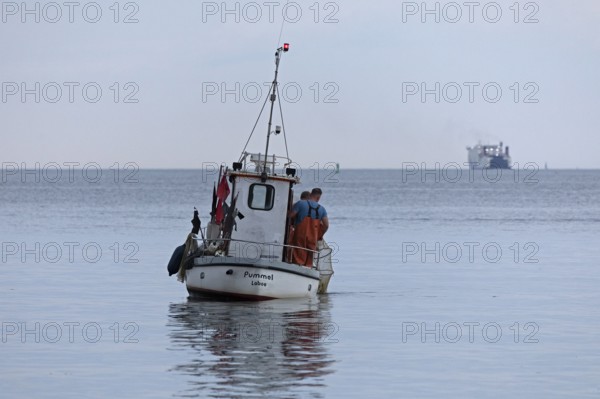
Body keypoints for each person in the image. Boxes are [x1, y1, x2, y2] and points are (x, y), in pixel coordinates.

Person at [288, 188, 329, 266]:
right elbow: (326, 225)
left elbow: (290, 216)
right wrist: (319, 235)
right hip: (313, 238)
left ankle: (296, 269)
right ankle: (307, 270)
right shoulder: (322, 209)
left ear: (310, 194)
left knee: (298, 256)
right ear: (319, 197)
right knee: (309, 259)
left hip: (300, 236)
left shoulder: (300, 203)